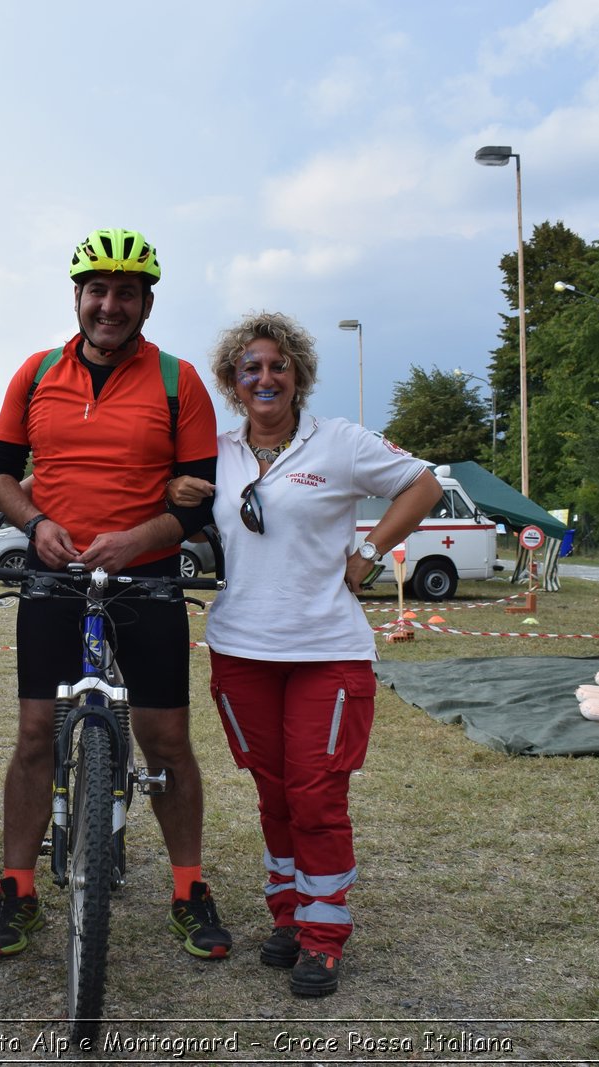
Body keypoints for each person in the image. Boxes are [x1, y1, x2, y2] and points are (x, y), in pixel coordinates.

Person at [166, 310, 441, 997]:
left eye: (278, 365)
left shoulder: (340, 442)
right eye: (251, 368)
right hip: (240, 647)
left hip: (327, 649)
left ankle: (324, 932)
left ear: (299, 376)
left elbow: (424, 483)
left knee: (317, 796)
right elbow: (182, 509)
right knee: (275, 792)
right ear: (234, 382)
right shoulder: (218, 453)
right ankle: (287, 914)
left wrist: (369, 553)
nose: (265, 377)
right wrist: (176, 492)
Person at [0, 227, 231, 960]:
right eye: (98, 290)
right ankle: (16, 887)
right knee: (32, 737)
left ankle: (189, 887)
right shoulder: (36, 372)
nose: (109, 305)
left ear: (146, 301)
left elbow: (197, 501)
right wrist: (35, 520)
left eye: (125, 292)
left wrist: (139, 539)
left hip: (145, 576)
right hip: (54, 575)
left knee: (167, 740)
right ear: (78, 296)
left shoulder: (179, 381)